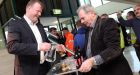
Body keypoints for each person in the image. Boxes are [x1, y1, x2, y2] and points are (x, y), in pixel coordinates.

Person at [77, 4, 133, 75]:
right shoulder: (88, 30)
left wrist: (92, 60)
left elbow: (114, 49)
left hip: (114, 70)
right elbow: (89, 50)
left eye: (83, 18)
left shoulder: (107, 22)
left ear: (91, 13)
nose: (81, 22)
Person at [7, 1, 51, 75]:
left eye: (40, 12)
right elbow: (12, 47)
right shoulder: (15, 24)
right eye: (38, 11)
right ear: (29, 8)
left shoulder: (39, 26)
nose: (39, 14)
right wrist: (38, 46)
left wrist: (55, 47)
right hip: (28, 71)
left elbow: (46, 42)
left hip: (44, 68)